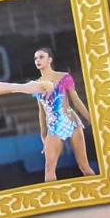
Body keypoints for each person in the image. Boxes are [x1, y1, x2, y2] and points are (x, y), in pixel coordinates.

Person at [32, 46, 95, 181]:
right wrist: (43, 134)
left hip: (71, 122)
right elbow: (41, 111)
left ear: (50, 59)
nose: (38, 60)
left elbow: (75, 99)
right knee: (49, 169)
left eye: (41, 57)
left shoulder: (64, 77)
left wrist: (90, 118)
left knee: (83, 165)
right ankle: (54, 199)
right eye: (36, 58)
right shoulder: (36, 85)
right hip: (53, 128)